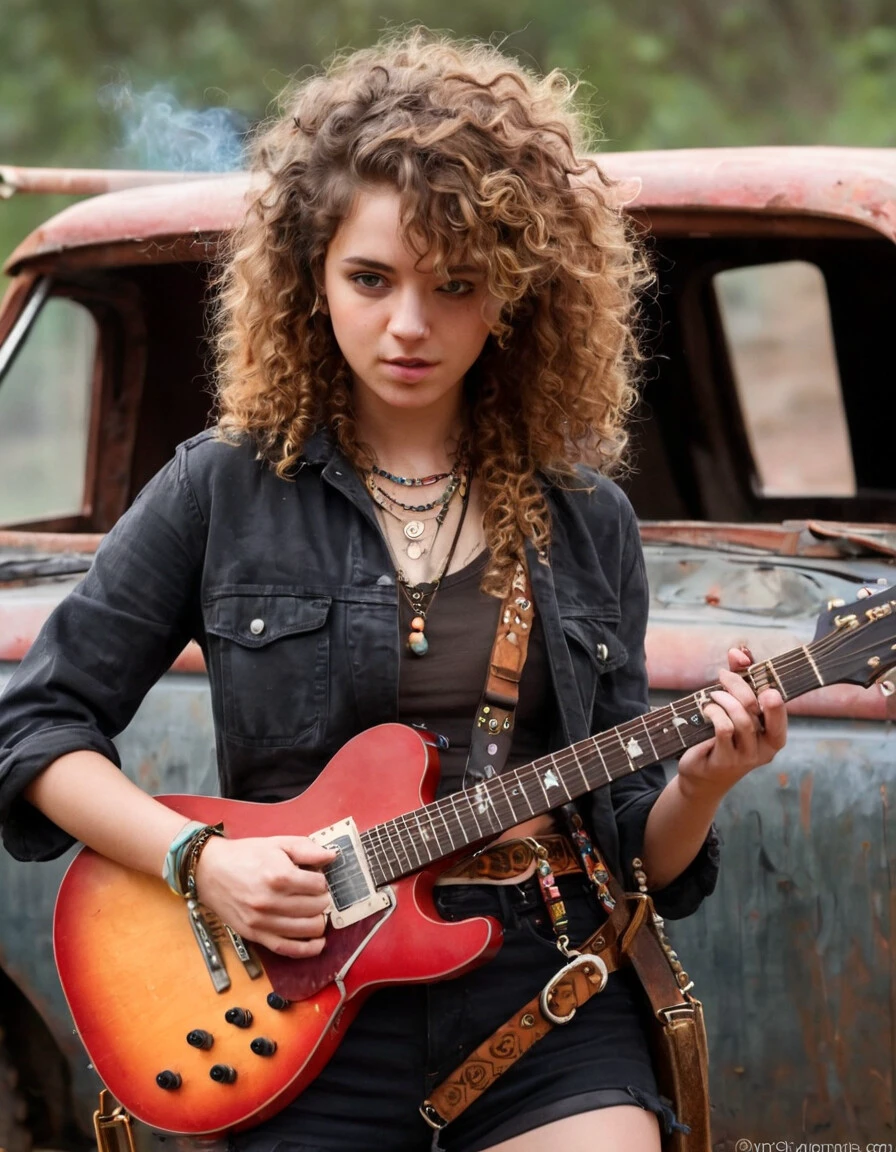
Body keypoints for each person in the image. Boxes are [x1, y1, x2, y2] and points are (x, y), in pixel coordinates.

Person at [0, 29, 787, 1152]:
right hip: (290, 1000)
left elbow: (635, 850)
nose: (408, 324)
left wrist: (706, 779)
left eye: (453, 285)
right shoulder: (221, 486)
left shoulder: (583, 516)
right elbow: (34, 729)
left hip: (539, 989)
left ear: (513, 294)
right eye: (370, 278)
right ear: (311, 277)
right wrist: (202, 862)